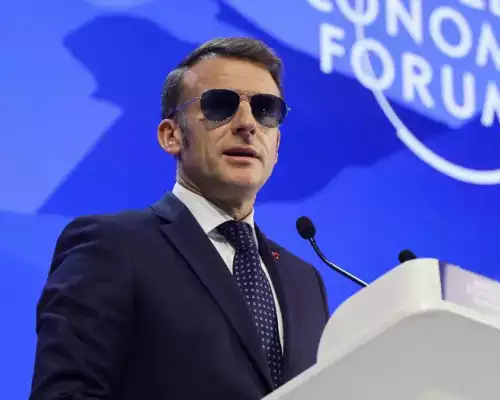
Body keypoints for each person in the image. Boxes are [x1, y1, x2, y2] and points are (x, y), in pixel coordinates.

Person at [29, 37, 330, 400]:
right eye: (220, 105)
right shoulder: (111, 246)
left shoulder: (305, 282)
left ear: (277, 145)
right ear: (171, 135)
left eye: (265, 110)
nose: (247, 124)